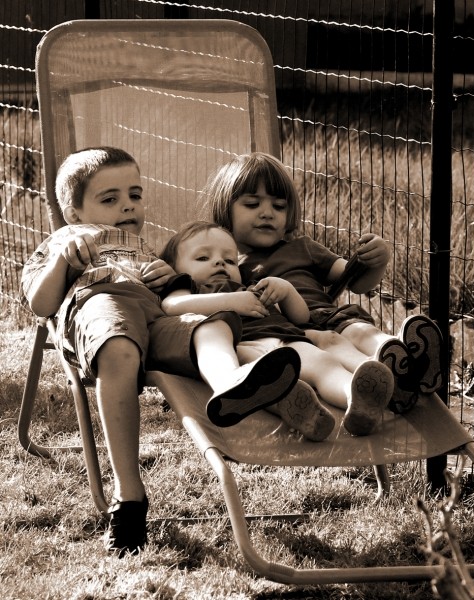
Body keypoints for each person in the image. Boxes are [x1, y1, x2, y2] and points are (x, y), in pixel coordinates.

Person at [20, 147, 303, 557]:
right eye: (110, 199)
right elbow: (41, 305)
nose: (127, 206)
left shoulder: (148, 250)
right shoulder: (64, 240)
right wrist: (63, 261)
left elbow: (177, 302)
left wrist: (171, 278)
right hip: (102, 302)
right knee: (119, 347)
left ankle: (232, 386)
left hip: (156, 316)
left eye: (134, 195)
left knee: (212, 326)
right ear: (73, 212)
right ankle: (130, 496)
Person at [203, 151, 444, 413]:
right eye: (252, 204)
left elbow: (356, 282)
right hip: (287, 334)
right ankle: (392, 377)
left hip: (325, 314)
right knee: (329, 347)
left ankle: (403, 356)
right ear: (225, 209)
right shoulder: (225, 266)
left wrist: (378, 260)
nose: (267, 213)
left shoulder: (302, 247)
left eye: (279, 206)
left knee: (362, 332)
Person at [160, 220, 399, 439]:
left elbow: (301, 317)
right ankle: (303, 412)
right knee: (266, 381)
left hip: (287, 338)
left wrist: (286, 291)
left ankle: (356, 400)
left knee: (325, 365)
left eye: (230, 260)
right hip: (242, 346)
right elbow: (172, 306)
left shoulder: (251, 285)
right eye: (202, 258)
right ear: (175, 268)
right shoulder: (187, 285)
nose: (220, 262)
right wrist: (231, 301)